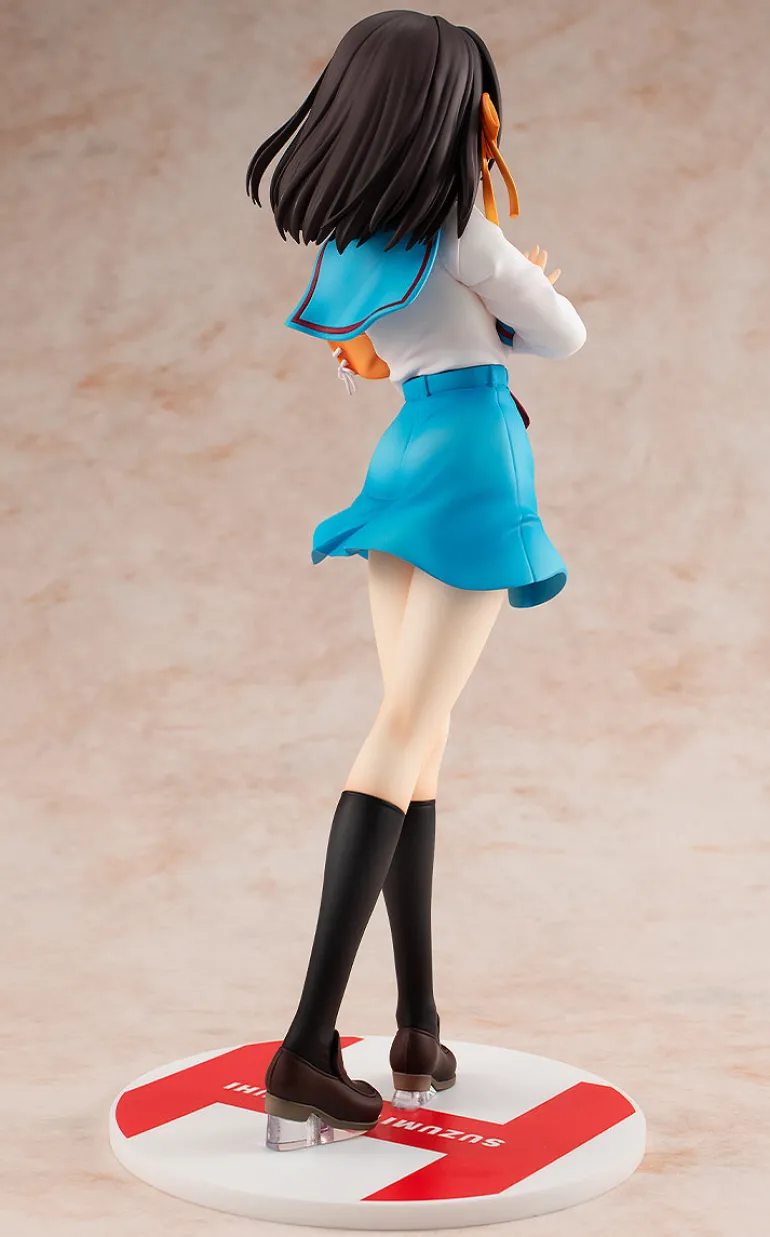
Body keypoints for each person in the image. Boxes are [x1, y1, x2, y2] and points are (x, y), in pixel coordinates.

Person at [246, 9, 586, 1149]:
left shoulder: (352, 239)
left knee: (421, 733)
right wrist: (511, 301)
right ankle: (306, 1043)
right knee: (400, 733)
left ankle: (416, 1026)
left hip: (402, 454)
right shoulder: (460, 228)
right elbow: (564, 336)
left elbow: (367, 344)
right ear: (444, 110)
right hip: (474, 460)